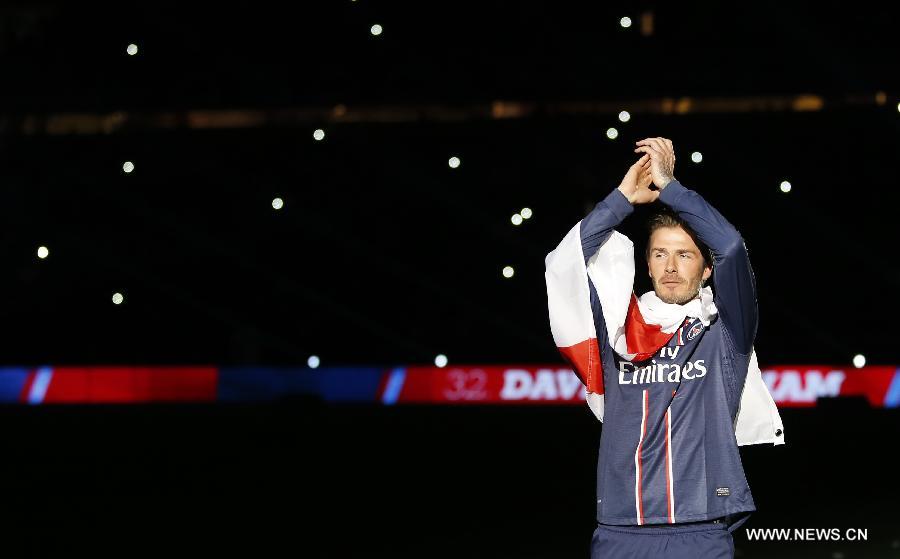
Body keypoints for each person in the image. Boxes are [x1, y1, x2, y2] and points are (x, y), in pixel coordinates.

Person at [544, 137, 783, 559]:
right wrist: (621, 201)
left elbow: (729, 246)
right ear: (648, 263)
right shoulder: (617, 328)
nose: (671, 267)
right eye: (659, 254)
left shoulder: (725, 330)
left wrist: (671, 187)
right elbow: (564, 266)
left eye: (685, 256)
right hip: (620, 528)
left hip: (702, 528)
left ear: (707, 270)